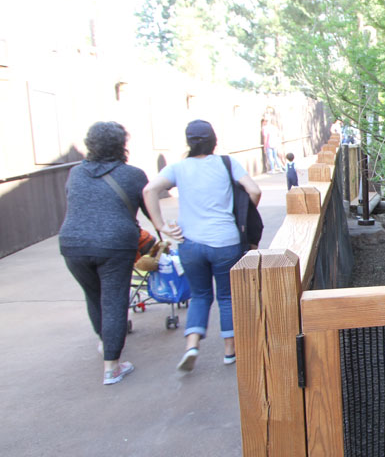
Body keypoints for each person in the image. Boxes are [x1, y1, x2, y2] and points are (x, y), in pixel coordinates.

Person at [143, 120, 261, 373]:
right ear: (213, 140)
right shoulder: (226, 163)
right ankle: (230, 351)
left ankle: (192, 346)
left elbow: (150, 189)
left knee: (199, 295)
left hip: (190, 243)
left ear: (188, 141)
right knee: (227, 296)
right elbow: (254, 190)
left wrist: (161, 225)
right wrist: (242, 216)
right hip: (226, 241)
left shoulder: (178, 168)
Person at [59, 121, 148, 385]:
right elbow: (148, 206)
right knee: (113, 300)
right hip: (114, 244)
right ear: (122, 145)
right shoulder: (133, 174)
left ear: (90, 145)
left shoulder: (76, 173)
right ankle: (112, 366)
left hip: (73, 244)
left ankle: (105, 342)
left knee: (94, 296)